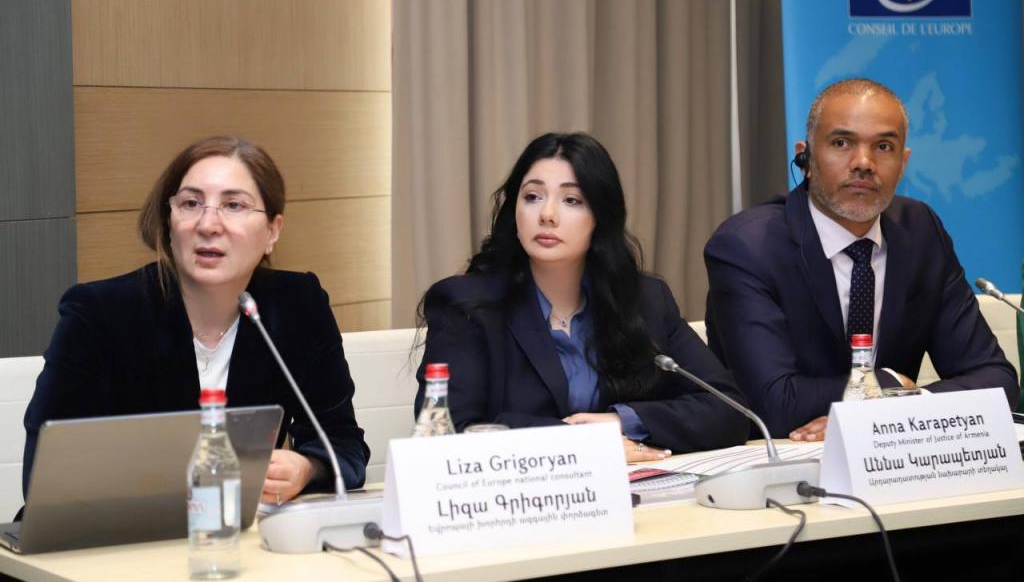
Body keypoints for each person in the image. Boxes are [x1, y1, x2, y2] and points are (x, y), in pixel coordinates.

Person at [22, 136, 369, 509]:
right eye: (190, 203)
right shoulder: (100, 313)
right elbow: (45, 472)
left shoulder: (297, 304)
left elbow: (344, 445)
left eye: (234, 205)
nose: (208, 224)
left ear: (272, 230)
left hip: (237, 534)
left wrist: (307, 467)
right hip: (111, 533)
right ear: (169, 223)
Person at [704, 78, 1020, 441]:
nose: (864, 163)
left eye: (883, 147)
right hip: (782, 455)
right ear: (806, 158)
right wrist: (886, 383)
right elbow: (772, 403)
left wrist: (901, 407)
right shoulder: (748, 246)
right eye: (842, 143)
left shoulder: (920, 230)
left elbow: (996, 380)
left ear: (903, 162)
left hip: (894, 454)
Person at [415, 132, 749, 460]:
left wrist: (621, 421)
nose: (547, 214)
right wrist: (584, 442)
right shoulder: (466, 306)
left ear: (600, 217)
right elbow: (449, 431)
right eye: (532, 196)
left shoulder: (645, 301)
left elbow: (729, 410)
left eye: (571, 200)